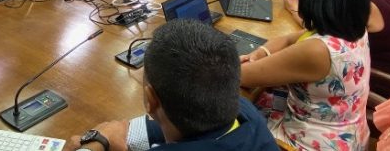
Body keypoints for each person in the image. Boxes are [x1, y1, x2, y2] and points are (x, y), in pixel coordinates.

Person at [65, 20, 279, 151]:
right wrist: (109, 135)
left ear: (150, 100)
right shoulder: (246, 113)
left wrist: (91, 146)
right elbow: (157, 129)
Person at [240, 0, 371, 151]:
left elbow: (242, 76)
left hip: (305, 143)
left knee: (231, 119)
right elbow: (288, 39)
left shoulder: (317, 50)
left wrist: (247, 61)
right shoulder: (354, 28)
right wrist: (260, 53)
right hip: (349, 135)